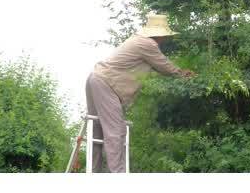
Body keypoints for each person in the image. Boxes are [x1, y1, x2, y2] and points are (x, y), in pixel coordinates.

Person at [84, 13, 196, 172]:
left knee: (97, 132)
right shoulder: (147, 44)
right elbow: (164, 65)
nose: (165, 39)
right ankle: (118, 174)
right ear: (159, 34)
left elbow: (151, 69)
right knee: (116, 131)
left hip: (96, 79)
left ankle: (94, 172)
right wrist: (182, 74)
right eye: (165, 35)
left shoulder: (138, 41)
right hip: (106, 84)